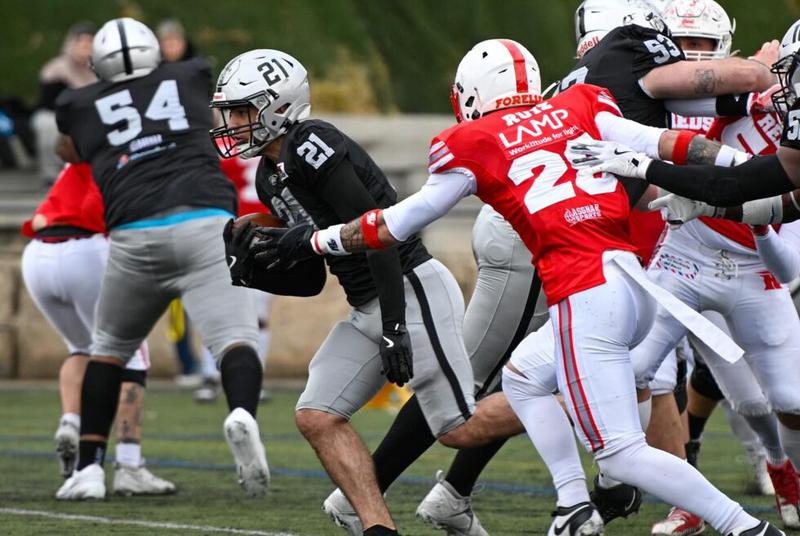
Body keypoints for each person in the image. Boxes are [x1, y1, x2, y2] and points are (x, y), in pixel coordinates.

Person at [256, 36, 786, 536]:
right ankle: (573, 504)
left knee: (622, 452)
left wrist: (315, 241)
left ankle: (744, 526)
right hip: (630, 279)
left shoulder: (473, 141)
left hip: (584, 293)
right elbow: (674, 144)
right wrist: (748, 168)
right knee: (526, 377)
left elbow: (393, 224)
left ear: (470, 96)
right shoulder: (581, 104)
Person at [212, 48, 532, 536]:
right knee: (317, 415)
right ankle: (378, 528)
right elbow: (312, 277)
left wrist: (395, 327)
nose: (234, 124)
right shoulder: (268, 174)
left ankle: (579, 399)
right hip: (367, 302)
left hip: (409, 287)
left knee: (458, 429)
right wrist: (254, 268)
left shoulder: (310, 143)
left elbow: (379, 232)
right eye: (231, 113)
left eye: (242, 111)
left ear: (278, 106)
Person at [51, 18, 266, 501]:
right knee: (236, 339)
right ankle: (241, 414)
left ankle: (88, 469)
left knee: (108, 348)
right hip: (204, 221)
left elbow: (70, 148)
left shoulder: (76, 103)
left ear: (96, 63)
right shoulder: (190, 75)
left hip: (134, 233)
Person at [20, 162, 175, 495]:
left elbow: (40, 218)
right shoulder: (125, 151)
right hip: (87, 249)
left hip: (37, 256)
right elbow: (98, 210)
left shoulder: (82, 146)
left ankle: (71, 422)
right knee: (130, 353)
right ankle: (130, 465)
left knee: (81, 347)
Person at [30, 22, 96, 186]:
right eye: (81, 42)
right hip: (59, 114)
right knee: (45, 122)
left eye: (90, 42)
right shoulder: (55, 68)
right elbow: (48, 102)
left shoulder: (103, 67)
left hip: (93, 114)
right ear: (72, 44)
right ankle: (51, 173)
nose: (85, 46)